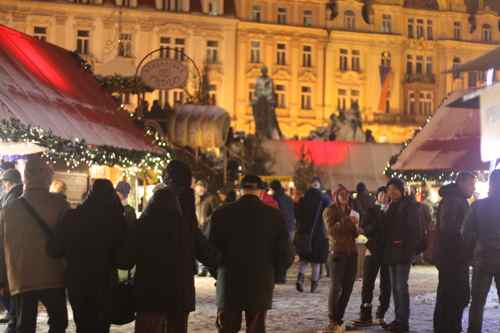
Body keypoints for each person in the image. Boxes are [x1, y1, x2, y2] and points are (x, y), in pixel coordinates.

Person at [134, 160, 219, 333]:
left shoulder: (150, 212)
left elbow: (132, 247)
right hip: (179, 287)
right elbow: (201, 248)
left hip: (150, 286)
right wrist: (220, 263)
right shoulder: (186, 213)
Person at [209, 175, 294, 333]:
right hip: (260, 281)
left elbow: (210, 251)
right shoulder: (274, 216)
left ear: (240, 191)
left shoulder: (221, 214)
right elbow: (285, 253)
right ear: (261, 192)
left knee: (227, 327)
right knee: (256, 328)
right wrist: (275, 273)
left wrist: (218, 274)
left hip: (229, 281)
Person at [0, 156, 69, 333]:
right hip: (54, 274)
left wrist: (4, 279)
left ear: (25, 178)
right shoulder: (60, 204)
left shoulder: (9, 209)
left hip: (22, 277)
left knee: (25, 325)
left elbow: (2, 246)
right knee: (58, 322)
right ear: (47, 177)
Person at [54, 179, 132, 333]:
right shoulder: (116, 220)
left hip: (77, 280)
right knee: (102, 325)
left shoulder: (72, 216)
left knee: (82, 323)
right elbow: (124, 259)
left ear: (90, 193)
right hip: (104, 281)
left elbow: (55, 248)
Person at [433, 172, 476, 333]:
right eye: (471, 184)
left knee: (449, 295)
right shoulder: (454, 201)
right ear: (461, 183)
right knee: (455, 296)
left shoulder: (456, 200)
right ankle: (449, 328)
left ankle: (446, 327)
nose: (473, 188)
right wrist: (464, 245)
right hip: (453, 258)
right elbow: (450, 230)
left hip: (451, 257)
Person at [462, 170, 500, 333]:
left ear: (491, 185)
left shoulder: (478, 206)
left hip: (483, 257)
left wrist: (474, 250)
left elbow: (466, 233)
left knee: (477, 302)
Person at [382, 178, 421, 333]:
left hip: (402, 252)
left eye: (395, 189)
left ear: (401, 190)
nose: (392, 192)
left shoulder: (409, 206)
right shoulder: (391, 206)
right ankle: (398, 319)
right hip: (391, 252)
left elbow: (413, 230)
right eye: (389, 189)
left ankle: (403, 322)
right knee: (395, 288)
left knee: (401, 287)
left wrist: (408, 250)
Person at [323, 185, 360, 332]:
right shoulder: (330, 210)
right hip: (338, 252)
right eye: (341, 194)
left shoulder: (351, 211)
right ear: (335, 195)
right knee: (336, 286)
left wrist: (357, 229)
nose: (345, 196)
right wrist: (346, 220)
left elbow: (356, 234)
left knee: (348, 287)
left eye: (347, 193)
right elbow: (331, 231)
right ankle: (333, 319)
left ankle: (338, 319)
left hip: (352, 253)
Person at [354, 186, 391, 327]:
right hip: (372, 251)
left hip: (387, 253)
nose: (384, 196)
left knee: (386, 285)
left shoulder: (393, 211)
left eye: (386, 194)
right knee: (367, 283)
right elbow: (363, 230)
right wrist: (369, 243)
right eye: (382, 193)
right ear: (377, 196)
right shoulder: (371, 211)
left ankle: (381, 314)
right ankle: (365, 314)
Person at [295, 176, 331, 293]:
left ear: (310, 185)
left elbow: (298, 215)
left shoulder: (303, 199)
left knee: (304, 259)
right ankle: (314, 284)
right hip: (318, 234)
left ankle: (300, 279)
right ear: (319, 185)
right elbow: (328, 215)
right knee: (316, 261)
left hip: (305, 233)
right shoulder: (324, 199)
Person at [0, 169, 23, 330]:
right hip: (17, 249)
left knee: (8, 284)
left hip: (10, 248)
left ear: (9, 182)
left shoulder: (11, 198)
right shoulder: (21, 195)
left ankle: (13, 316)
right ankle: (13, 314)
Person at [270, 179, 296, 284]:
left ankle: (278, 276)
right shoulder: (288, 198)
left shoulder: (275, 198)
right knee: (286, 252)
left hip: (280, 228)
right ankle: (282, 275)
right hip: (290, 227)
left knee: (277, 252)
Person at [195, 180, 222, 277]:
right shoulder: (194, 199)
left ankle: (209, 268)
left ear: (206, 188)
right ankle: (201, 269)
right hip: (198, 227)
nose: (201, 189)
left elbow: (216, 212)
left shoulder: (211, 198)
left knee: (207, 247)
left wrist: (207, 220)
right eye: (199, 186)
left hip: (208, 227)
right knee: (198, 246)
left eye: (203, 187)